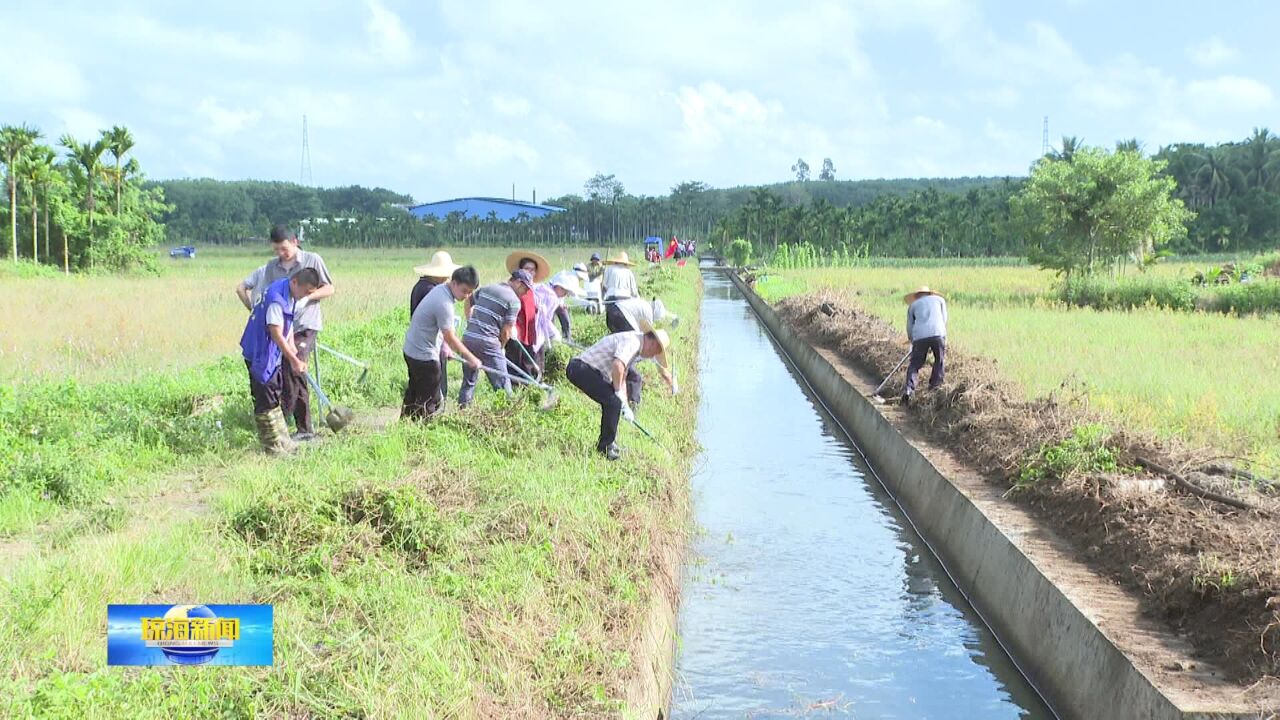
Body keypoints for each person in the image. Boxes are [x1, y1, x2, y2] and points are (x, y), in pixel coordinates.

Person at [236, 225, 335, 441]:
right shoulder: (272, 271)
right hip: (280, 326)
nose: (281, 254)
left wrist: (308, 297)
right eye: (276, 250)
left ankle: (303, 427)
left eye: (284, 249)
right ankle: (280, 423)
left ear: (294, 242)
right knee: (281, 371)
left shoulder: (312, 260)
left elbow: (330, 288)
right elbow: (273, 313)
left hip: (304, 323)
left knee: (295, 368)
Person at [240, 268, 322, 455]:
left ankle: (283, 442)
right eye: (307, 291)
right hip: (261, 353)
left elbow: (287, 324)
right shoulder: (277, 300)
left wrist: (292, 344)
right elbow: (276, 333)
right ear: (295, 283)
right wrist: (293, 359)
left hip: (271, 352)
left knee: (274, 395)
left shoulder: (288, 291)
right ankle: (272, 448)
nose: (307, 296)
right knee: (266, 400)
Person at [566, 327, 672, 460]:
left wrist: (625, 403)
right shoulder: (633, 342)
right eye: (654, 353)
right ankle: (605, 447)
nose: (651, 356)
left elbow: (623, 375)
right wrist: (617, 393)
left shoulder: (636, 346)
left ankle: (609, 443)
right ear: (652, 344)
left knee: (615, 402)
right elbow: (618, 365)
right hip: (580, 368)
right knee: (613, 402)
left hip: (590, 371)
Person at [402, 266, 483, 420]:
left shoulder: (439, 290)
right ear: (454, 283)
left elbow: (438, 329)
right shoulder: (444, 303)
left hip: (411, 349)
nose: (467, 296)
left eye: (470, 292)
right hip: (423, 356)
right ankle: (421, 434)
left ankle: (404, 425)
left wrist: (445, 349)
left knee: (413, 392)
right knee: (431, 400)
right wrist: (470, 358)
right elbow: (450, 337)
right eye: (464, 290)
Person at [458, 270, 532, 406]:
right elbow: (506, 331)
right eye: (525, 288)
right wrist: (502, 347)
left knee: (468, 382)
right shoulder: (514, 301)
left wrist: (470, 321)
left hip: (468, 340)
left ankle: (463, 411)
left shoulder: (487, 288)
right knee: (503, 385)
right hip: (489, 344)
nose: (526, 293)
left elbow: (469, 300)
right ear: (518, 283)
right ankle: (509, 414)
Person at [604, 296, 678, 407]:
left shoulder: (643, 305)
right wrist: (668, 377)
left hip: (611, 313)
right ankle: (630, 399)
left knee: (625, 349)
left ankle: (620, 377)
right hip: (620, 315)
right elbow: (646, 343)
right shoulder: (647, 313)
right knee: (630, 351)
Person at [409, 250, 462, 401]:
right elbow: (441, 324)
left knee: (416, 387)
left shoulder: (419, 286)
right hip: (430, 344)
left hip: (417, 343)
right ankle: (432, 418)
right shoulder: (433, 291)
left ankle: (413, 419)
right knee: (435, 388)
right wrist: (447, 345)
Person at [504, 251, 551, 379]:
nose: (530, 272)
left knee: (529, 366)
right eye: (527, 269)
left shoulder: (537, 291)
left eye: (533, 269)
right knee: (514, 365)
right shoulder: (515, 288)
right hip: (515, 334)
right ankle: (513, 392)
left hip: (530, 334)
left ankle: (528, 389)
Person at [902, 286, 948, 407]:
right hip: (938, 333)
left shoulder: (913, 306)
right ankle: (935, 386)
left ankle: (909, 390)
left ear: (917, 296)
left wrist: (912, 340)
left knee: (915, 364)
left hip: (920, 336)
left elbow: (909, 327)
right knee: (939, 360)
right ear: (929, 294)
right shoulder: (939, 300)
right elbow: (944, 319)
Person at [533, 271, 585, 359]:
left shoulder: (544, 289)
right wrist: (555, 334)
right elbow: (544, 320)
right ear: (559, 287)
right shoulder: (552, 297)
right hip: (536, 332)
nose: (566, 295)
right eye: (566, 292)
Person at [602, 250, 639, 333]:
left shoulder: (609, 269)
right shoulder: (629, 272)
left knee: (612, 326)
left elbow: (604, 286)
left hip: (611, 300)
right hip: (625, 300)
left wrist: (603, 299)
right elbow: (634, 292)